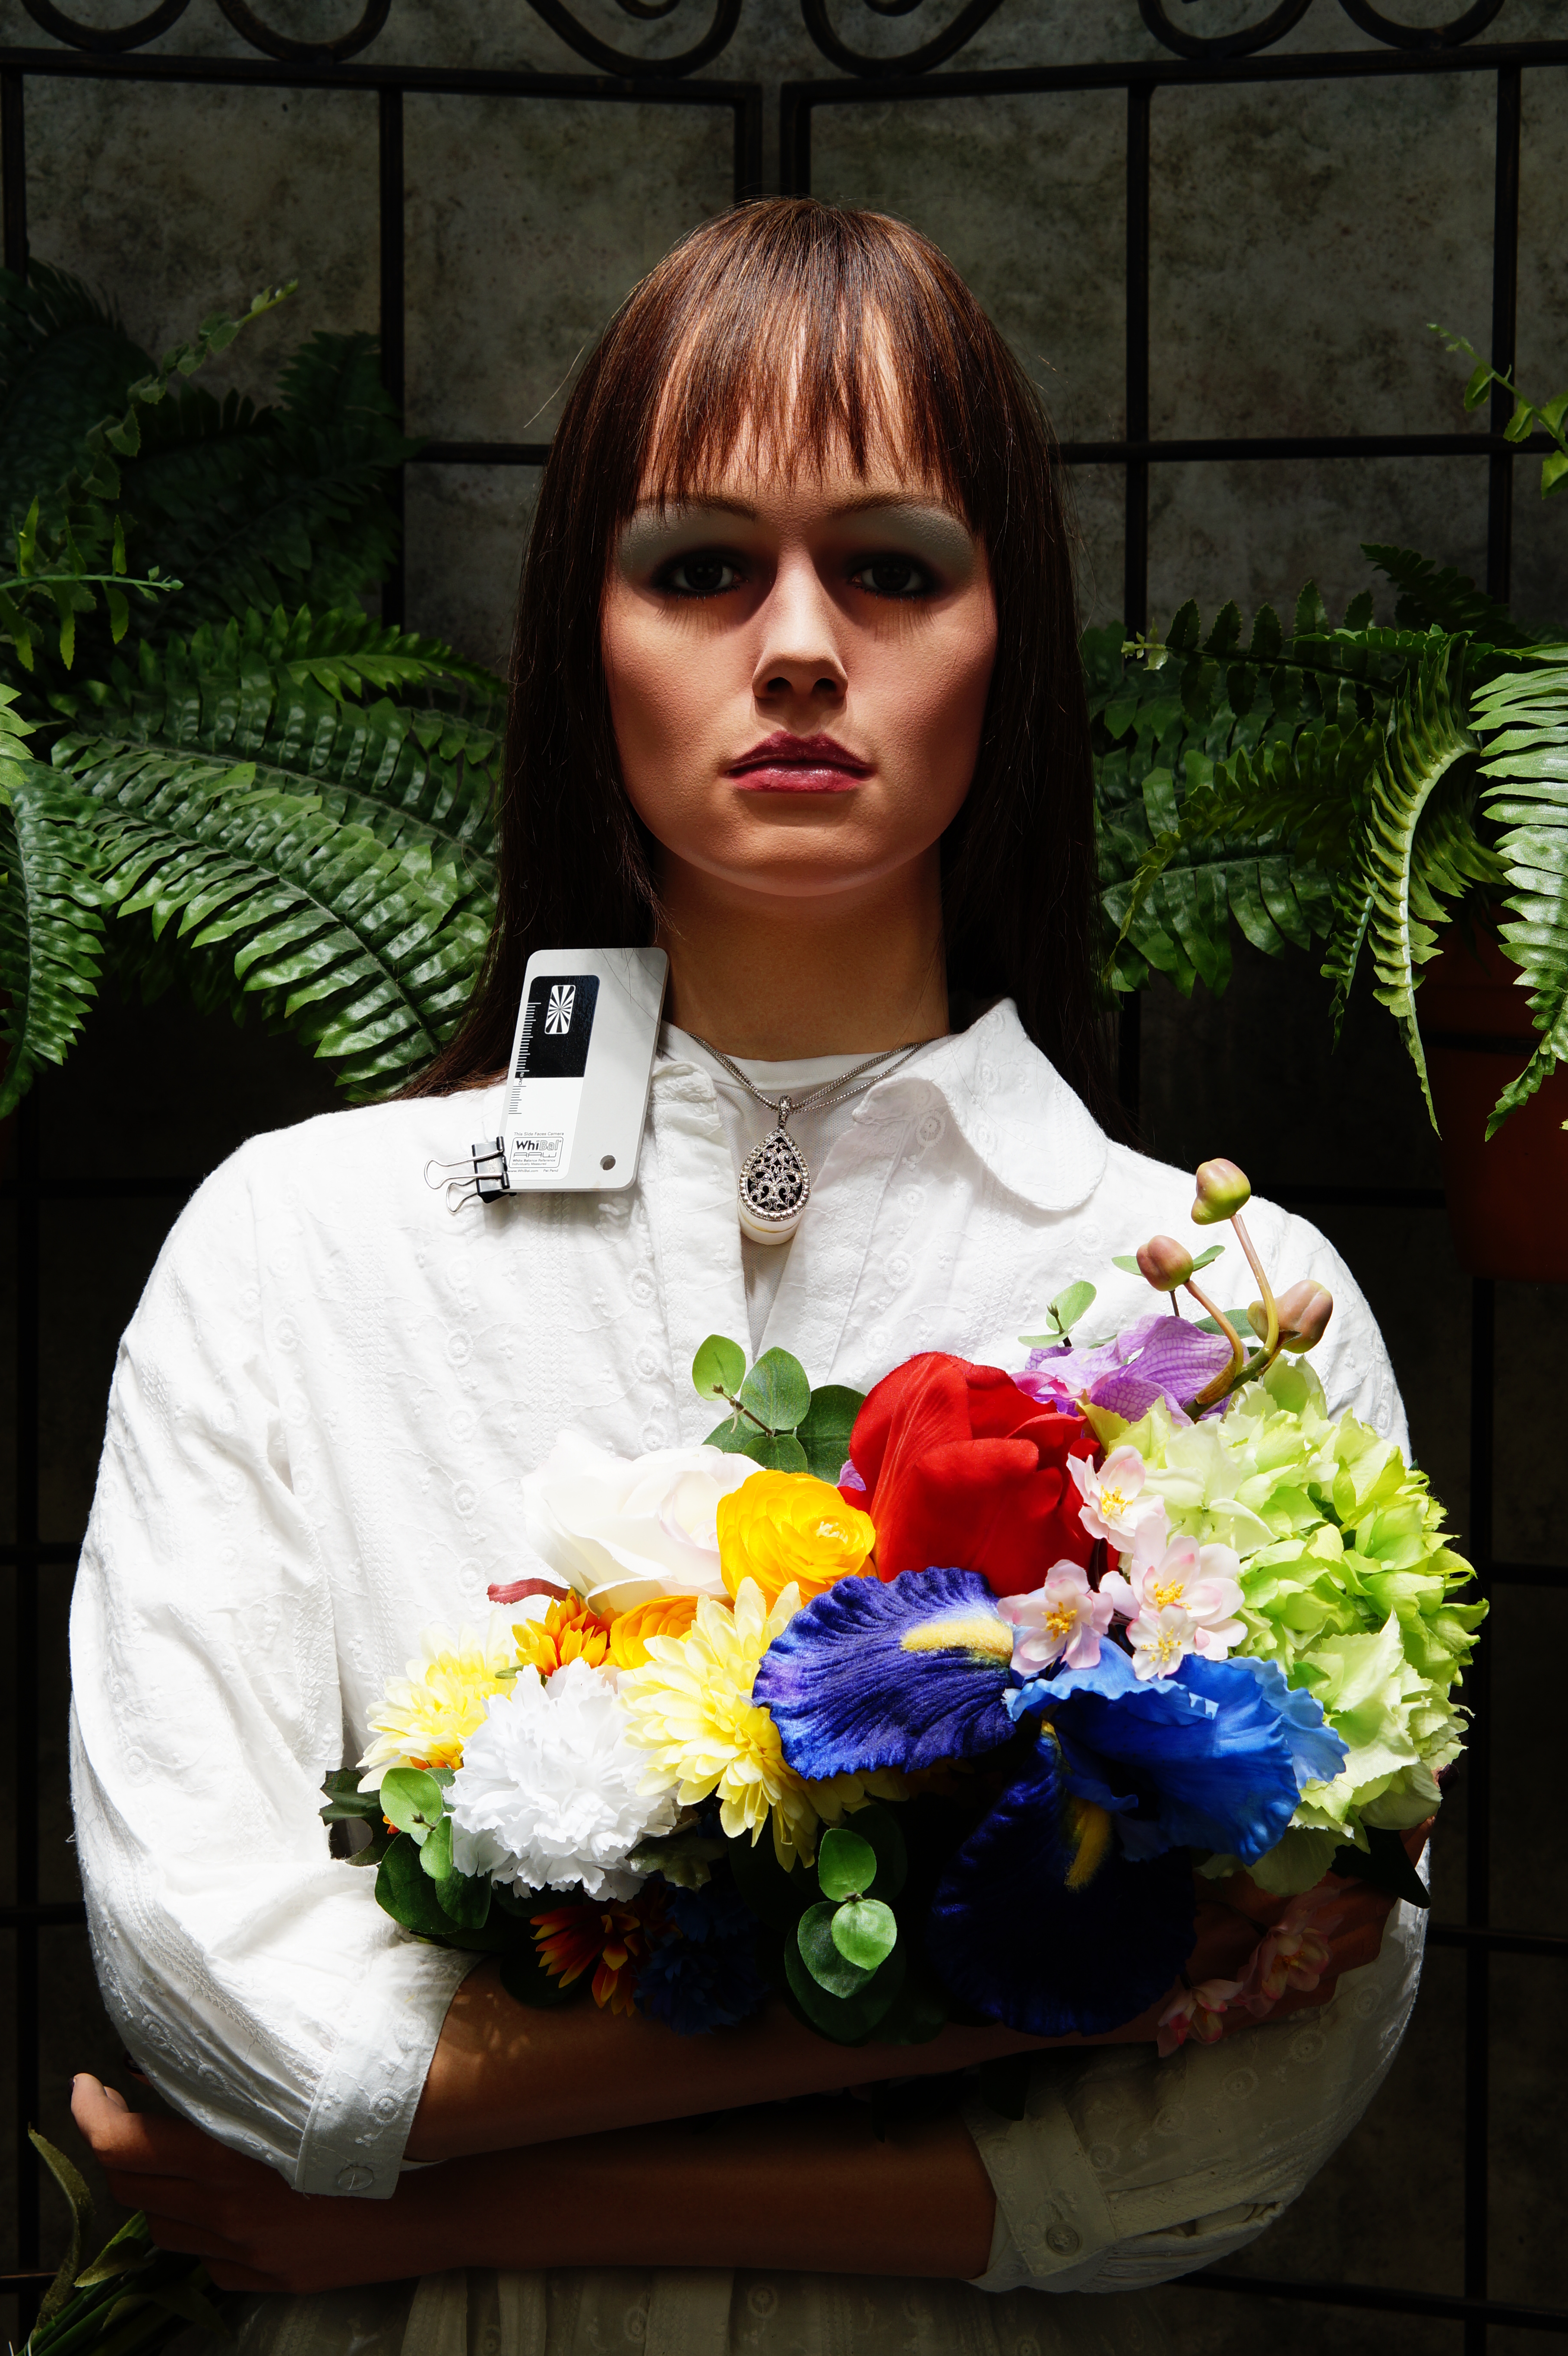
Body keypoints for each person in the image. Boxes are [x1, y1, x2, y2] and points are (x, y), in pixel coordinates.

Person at [68, 200, 1426, 2356]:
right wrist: (1051, 1982)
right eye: (701, 568)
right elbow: (224, 1993)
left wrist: (417, 2209)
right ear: (582, 631)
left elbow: (1227, 2132)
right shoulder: (293, 1250)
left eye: (889, 567)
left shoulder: (1228, 1306)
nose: (796, 645)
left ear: (1009, 634)